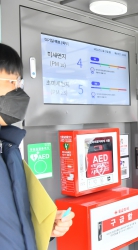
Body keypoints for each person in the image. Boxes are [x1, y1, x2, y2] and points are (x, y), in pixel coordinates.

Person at [0, 43, 75, 249]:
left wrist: (44, 227)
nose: (18, 91)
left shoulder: (8, 149)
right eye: (12, 82)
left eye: (19, 83)